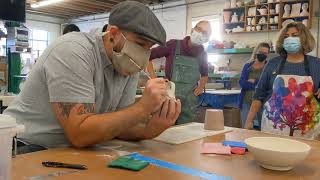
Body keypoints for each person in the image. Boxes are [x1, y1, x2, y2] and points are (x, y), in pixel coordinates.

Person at [4, 1, 181, 154]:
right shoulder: (73, 50)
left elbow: (120, 125)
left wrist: (151, 129)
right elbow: (79, 133)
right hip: (22, 147)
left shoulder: (127, 63)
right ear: (113, 34)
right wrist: (142, 108)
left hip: (70, 150)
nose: (143, 55)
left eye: (148, 48)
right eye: (140, 44)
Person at [245, 22, 320, 140]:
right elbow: (259, 95)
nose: (290, 39)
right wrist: (249, 121)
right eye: (286, 37)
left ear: (304, 38)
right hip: (273, 129)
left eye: (295, 35)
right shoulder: (273, 63)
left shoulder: (316, 64)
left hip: (308, 133)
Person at [147, 21, 211, 124]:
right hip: (169, 97)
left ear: (207, 38)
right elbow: (147, 55)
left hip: (189, 103)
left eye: (205, 33)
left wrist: (199, 88)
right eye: (199, 29)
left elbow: (205, 75)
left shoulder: (202, 54)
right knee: (165, 130)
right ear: (192, 30)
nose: (201, 34)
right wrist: (154, 79)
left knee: (187, 133)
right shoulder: (173, 45)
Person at [239, 42, 270, 129]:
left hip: (262, 102)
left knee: (263, 128)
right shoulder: (248, 65)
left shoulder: (269, 67)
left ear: (268, 54)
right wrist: (259, 84)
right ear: (256, 52)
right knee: (246, 127)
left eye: (265, 53)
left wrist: (255, 81)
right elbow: (242, 83)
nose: (262, 54)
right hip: (246, 101)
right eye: (260, 52)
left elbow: (267, 85)